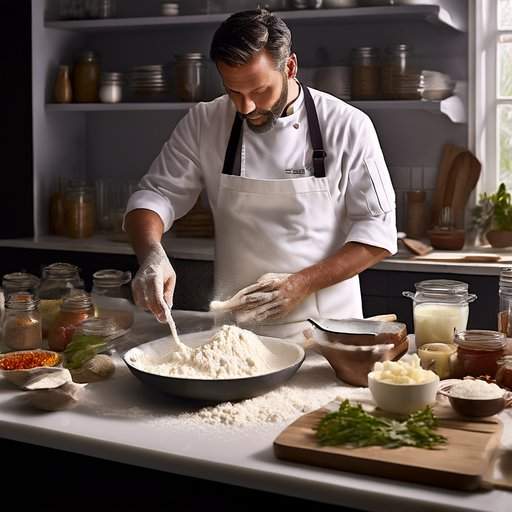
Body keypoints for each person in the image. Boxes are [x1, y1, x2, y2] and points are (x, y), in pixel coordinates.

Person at [124, 9, 397, 337]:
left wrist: (300, 284)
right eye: (233, 92)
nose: (246, 108)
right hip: (235, 335)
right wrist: (151, 253)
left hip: (327, 336)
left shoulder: (348, 126)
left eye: (259, 91)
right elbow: (156, 195)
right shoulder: (204, 122)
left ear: (290, 67)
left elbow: (378, 234)